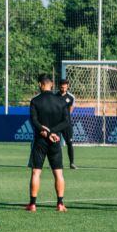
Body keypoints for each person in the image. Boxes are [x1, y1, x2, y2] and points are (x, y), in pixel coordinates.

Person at [26, 74, 70, 212]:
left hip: (40, 140)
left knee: (36, 172)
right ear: (51, 85)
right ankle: (60, 203)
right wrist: (53, 133)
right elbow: (66, 122)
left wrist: (44, 131)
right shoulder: (61, 101)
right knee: (58, 173)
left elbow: (34, 120)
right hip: (55, 140)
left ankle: (32, 204)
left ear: (40, 84)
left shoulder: (35, 101)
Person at [57, 79, 77, 169]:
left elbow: (70, 110)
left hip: (66, 124)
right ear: (59, 86)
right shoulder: (54, 97)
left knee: (69, 143)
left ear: (67, 86)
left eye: (65, 85)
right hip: (56, 123)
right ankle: (56, 163)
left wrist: (66, 118)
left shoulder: (71, 97)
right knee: (55, 144)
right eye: (62, 85)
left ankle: (72, 163)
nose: (63, 87)